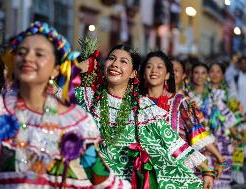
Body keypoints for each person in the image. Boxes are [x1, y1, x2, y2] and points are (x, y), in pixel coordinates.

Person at [0, 21, 130, 188]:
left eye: (39, 54)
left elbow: (102, 180)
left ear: (56, 69)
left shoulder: (77, 124)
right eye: (22, 52)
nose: (28, 58)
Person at [73, 44, 215, 189]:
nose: (115, 64)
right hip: (90, 179)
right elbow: (52, 93)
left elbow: (173, 142)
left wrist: (207, 170)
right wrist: (76, 68)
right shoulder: (86, 96)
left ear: (134, 73)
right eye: (111, 58)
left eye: (123, 61)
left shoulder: (143, 106)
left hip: (127, 183)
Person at [140, 51, 225, 179]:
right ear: (143, 74)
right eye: (149, 66)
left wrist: (219, 158)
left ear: (168, 75)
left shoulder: (179, 101)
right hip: (144, 171)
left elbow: (196, 131)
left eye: (159, 67)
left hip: (177, 171)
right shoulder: (137, 102)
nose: (154, 70)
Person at [187, 62, 238, 189]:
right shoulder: (187, 97)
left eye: (203, 73)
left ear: (207, 75)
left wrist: (236, 135)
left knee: (219, 182)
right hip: (196, 144)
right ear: (191, 75)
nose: (200, 76)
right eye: (196, 73)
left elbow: (228, 117)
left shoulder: (216, 95)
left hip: (218, 145)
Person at [209, 62, 246, 185]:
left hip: (225, 141)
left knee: (222, 176)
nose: (214, 74)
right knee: (207, 175)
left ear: (223, 75)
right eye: (212, 71)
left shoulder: (230, 95)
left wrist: (237, 135)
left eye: (218, 71)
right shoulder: (202, 93)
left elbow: (239, 120)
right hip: (207, 141)